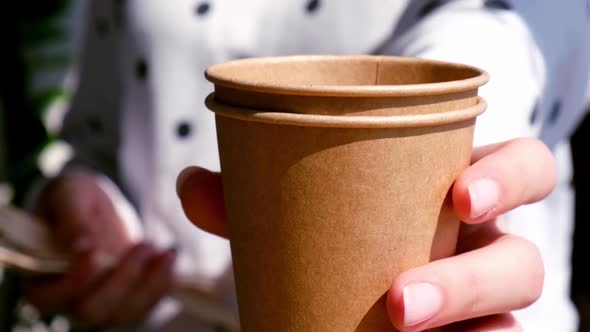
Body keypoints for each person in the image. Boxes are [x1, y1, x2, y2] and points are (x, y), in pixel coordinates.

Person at [22, 0, 590, 331]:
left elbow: (508, 31)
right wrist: (85, 205)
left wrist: (439, 143)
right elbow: (99, 129)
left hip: (460, 314)